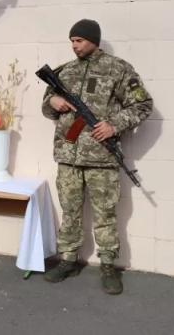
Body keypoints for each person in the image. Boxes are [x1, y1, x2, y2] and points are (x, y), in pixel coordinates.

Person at [41, 19, 153, 295]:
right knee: (70, 211)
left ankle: (108, 265)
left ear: (94, 40)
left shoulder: (118, 69)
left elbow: (143, 104)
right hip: (68, 155)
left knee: (105, 214)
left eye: (79, 40)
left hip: (101, 157)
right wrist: (51, 102)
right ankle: (68, 259)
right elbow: (47, 107)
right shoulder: (64, 72)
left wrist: (114, 124)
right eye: (72, 41)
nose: (74, 45)